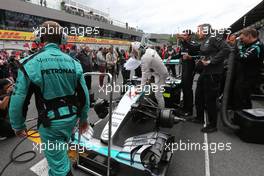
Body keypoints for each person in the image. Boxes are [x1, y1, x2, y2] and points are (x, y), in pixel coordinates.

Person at [9, 21, 90, 176]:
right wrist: (84, 118)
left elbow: (18, 99)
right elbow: (84, 96)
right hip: (72, 119)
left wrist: (18, 125)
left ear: (39, 38)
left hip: (50, 124)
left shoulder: (29, 63)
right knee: (61, 154)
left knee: (59, 170)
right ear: (63, 39)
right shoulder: (74, 63)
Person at [193, 24, 231, 133]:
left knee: (210, 100)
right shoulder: (206, 39)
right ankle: (199, 117)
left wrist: (211, 61)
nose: (197, 32)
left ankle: (213, 125)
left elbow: (226, 49)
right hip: (205, 72)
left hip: (213, 73)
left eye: (199, 30)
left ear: (205, 30)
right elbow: (208, 53)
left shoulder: (214, 37)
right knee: (199, 95)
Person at [232, 28, 264, 110]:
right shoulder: (247, 46)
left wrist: (238, 46)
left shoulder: (258, 46)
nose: (241, 40)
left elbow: (243, 57)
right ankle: (238, 116)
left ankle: (244, 119)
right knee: (238, 97)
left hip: (249, 78)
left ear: (249, 36)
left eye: (242, 38)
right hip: (241, 77)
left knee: (244, 99)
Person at [177, 30, 200, 117]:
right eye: (183, 34)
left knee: (188, 88)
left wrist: (184, 41)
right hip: (184, 67)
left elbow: (196, 51)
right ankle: (184, 107)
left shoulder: (193, 43)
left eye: (185, 35)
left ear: (190, 36)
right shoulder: (183, 43)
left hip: (190, 67)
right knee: (183, 86)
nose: (183, 36)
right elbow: (180, 54)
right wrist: (171, 57)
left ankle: (189, 109)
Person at [139, 42, 169, 108]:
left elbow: (144, 73)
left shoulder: (145, 57)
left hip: (161, 75)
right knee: (156, 91)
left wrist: (141, 88)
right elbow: (148, 70)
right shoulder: (149, 51)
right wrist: (149, 79)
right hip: (158, 74)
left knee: (158, 94)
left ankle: (161, 111)